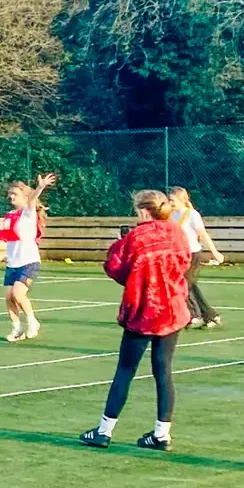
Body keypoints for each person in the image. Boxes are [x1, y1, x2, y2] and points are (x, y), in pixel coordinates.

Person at [81, 190, 192, 451]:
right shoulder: (177, 232)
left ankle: (104, 431)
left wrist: (120, 244)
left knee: (125, 370)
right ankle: (162, 434)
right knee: (163, 371)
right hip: (172, 309)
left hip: (144, 310)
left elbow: (116, 268)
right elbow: (185, 262)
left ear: (143, 210)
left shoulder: (136, 237)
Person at [0, 172, 57, 342]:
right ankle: (17, 329)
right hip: (12, 263)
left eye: (15, 194)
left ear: (25, 197)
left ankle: (32, 322)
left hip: (29, 262)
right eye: (10, 194)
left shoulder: (27, 213)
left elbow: (33, 199)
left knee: (18, 294)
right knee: (8, 297)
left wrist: (40, 187)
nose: (11, 196)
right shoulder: (10, 215)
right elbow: (0, 233)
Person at [167, 186, 224, 329]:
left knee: (185, 284)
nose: (170, 203)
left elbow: (203, 234)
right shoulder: (172, 215)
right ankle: (210, 315)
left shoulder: (192, 214)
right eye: (169, 200)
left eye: (173, 200)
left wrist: (215, 253)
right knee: (190, 285)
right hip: (180, 255)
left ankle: (195, 316)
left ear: (182, 200)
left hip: (193, 254)